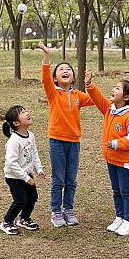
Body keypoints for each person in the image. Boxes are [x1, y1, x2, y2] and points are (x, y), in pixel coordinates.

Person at [37, 41, 94, 228]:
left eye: (68, 69)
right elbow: (45, 77)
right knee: (58, 179)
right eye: (60, 69)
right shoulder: (53, 93)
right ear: (55, 78)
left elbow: (95, 99)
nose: (65, 70)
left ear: (73, 76)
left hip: (74, 142)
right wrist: (47, 55)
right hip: (57, 142)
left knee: (71, 179)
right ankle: (56, 211)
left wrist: (89, 84)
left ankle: (68, 209)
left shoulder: (79, 95)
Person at [84, 72, 129, 236]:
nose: (113, 89)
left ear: (126, 97)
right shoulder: (109, 110)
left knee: (126, 191)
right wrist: (90, 85)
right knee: (116, 190)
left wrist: (116, 143)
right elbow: (98, 99)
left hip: (124, 161)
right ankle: (120, 217)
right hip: (111, 159)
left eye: (117, 88)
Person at [0, 105, 45, 235]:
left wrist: (39, 169)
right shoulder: (14, 141)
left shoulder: (30, 135)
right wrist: (26, 178)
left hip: (27, 174)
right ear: (16, 123)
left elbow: (34, 153)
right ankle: (6, 222)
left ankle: (24, 219)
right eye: (23, 112)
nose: (27, 113)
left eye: (26, 110)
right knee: (20, 200)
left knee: (32, 197)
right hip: (14, 177)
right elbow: (11, 163)